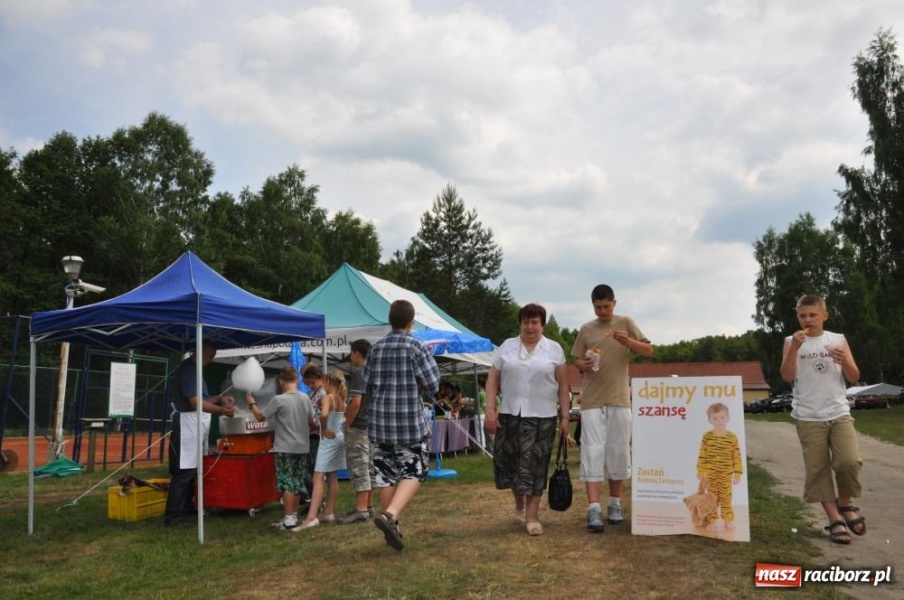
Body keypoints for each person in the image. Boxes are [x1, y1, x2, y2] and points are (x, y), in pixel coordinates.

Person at [780, 294, 865, 545]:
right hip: (808, 415)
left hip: (838, 412)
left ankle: (845, 503)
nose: (807, 320)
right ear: (798, 317)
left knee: (849, 461)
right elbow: (787, 376)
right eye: (802, 315)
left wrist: (845, 360)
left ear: (824, 316)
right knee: (818, 470)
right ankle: (835, 518)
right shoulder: (791, 341)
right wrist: (795, 348)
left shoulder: (837, 340)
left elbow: (853, 375)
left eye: (812, 315)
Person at [571, 284, 653, 533]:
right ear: (593, 305)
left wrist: (629, 341)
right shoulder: (586, 329)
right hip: (592, 400)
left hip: (619, 398)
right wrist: (582, 364)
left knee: (618, 450)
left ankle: (615, 504)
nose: (603, 311)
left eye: (606, 306)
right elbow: (575, 359)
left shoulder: (626, 322)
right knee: (592, 452)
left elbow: (649, 350)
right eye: (598, 307)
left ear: (614, 303)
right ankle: (594, 508)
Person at [484, 303, 571, 536]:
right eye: (526, 322)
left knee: (535, 466)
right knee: (510, 464)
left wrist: (565, 417)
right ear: (520, 324)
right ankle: (519, 504)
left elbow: (563, 386)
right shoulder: (506, 347)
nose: (530, 326)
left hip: (542, 416)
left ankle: (532, 516)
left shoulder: (554, 350)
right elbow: (492, 380)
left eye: (534, 322)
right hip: (510, 413)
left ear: (542, 324)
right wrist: (490, 410)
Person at [364, 299, 441, 551]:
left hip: (380, 422)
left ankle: (393, 526)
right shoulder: (416, 347)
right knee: (415, 469)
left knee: (387, 475)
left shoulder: (375, 349)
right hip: (408, 422)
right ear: (411, 322)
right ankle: (389, 516)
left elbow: (367, 384)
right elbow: (433, 385)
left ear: (390, 320)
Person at [163, 341, 236, 527]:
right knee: (184, 470)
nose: (211, 361)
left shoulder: (195, 370)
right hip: (187, 423)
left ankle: (186, 507)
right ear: (202, 352)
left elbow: (203, 399)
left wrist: (219, 399)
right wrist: (221, 411)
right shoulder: (188, 370)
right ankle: (173, 517)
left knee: (193, 469)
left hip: (195, 423)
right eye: (211, 356)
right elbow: (195, 402)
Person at [244, 366, 315, 530]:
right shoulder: (305, 398)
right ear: (296, 380)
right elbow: (312, 420)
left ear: (281, 382)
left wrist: (251, 403)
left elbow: (260, 417)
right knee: (297, 482)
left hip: (285, 447)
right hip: (303, 446)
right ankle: (293, 516)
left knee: (287, 482)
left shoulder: (279, 400)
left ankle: (289, 520)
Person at [295, 370, 347, 529]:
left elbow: (323, 416)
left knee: (318, 477)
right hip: (338, 436)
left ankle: (311, 518)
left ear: (327, 381)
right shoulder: (341, 398)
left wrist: (323, 429)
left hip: (327, 439)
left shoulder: (328, 398)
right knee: (332, 476)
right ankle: (328, 512)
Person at [338, 339, 376, 525]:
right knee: (369, 467)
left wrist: (347, 423)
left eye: (351, 353)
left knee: (359, 467)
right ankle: (368, 506)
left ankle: (361, 510)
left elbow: (356, 402)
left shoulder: (360, 373)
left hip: (359, 426)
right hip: (373, 426)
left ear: (357, 353)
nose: (351, 357)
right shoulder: (376, 373)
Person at [695, 402, 743, 531]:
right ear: (709, 420)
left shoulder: (732, 438)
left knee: (726, 498)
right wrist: (700, 470)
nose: (719, 421)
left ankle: (728, 519)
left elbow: (737, 457)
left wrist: (737, 473)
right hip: (710, 475)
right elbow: (702, 454)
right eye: (715, 418)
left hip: (726, 475)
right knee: (712, 499)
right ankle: (712, 519)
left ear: (727, 418)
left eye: (722, 417)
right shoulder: (707, 437)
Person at [301, 363, 326, 505]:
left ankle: (317, 498)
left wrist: (312, 421)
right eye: (308, 383)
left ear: (320, 378)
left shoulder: (323, 394)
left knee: (313, 468)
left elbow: (324, 417)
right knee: (309, 468)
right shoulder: (311, 394)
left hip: (317, 435)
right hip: (309, 435)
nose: (310, 385)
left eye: (312, 382)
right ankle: (314, 497)